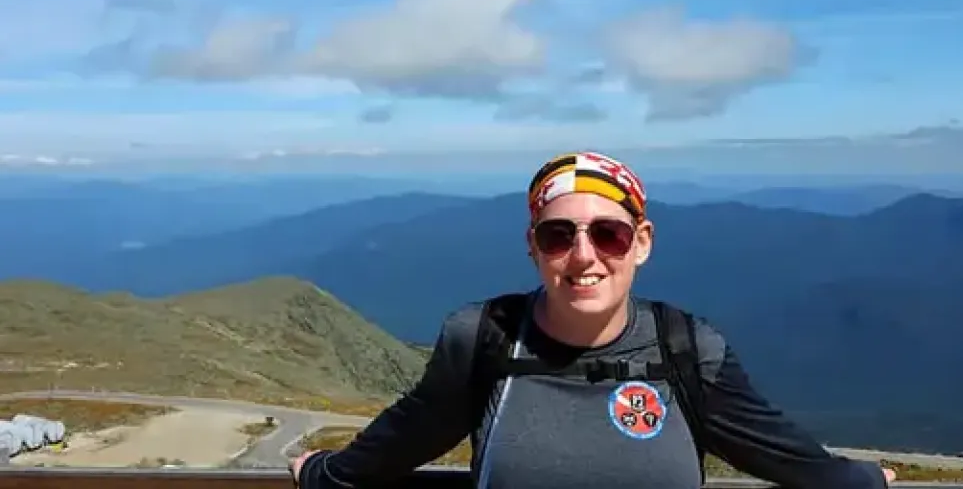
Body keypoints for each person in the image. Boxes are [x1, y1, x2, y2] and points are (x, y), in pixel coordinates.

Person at [291, 151, 897, 489]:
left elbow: (788, 457)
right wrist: (322, 474)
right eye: (560, 235)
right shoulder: (482, 340)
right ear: (533, 245)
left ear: (642, 242)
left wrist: (865, 482)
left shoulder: (688, 350)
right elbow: (404, 438)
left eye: (608, 233)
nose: (584, 255)